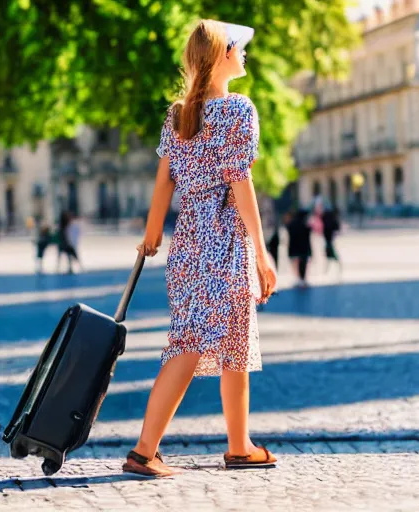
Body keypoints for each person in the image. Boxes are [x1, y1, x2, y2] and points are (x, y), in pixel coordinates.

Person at [123, 20, 277, 477]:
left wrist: (152, 235)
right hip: (224, 238)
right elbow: (240, 181)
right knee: (195, 343)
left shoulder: (178, 114)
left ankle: (238, 445)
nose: (245, 54)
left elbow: (163, 182)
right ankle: (144, 450)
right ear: (223, 54)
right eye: (239, 48)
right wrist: (262, 250)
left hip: (188, 240)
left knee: (230, 339)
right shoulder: (238, 110)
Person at [286, 209, 312, 288]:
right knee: (303, 264)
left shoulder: (292, 224)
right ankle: (303, 280)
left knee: (296, 264)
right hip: (304, 248)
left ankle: (299, 280)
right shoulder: (306, 224)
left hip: (294, 247)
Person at [322, 208, 341, 272]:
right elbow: (337, 230)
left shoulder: (325, 219)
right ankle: (328, 269)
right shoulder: (333, 220)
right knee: (330, 255)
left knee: (329, 255)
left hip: (328, 240)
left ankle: (326, 269)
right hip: (329, 240)